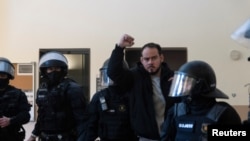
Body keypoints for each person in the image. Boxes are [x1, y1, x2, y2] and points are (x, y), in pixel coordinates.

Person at [107, 34, 176, 140]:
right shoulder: (134, 77)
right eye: (146, 59)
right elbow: (113, 72)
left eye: (154, 58)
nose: (150, 62)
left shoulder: (173, 78)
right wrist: (120, 47)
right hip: (145, 137)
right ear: (141, 60)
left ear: (161, 58)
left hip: (171, 136)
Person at [160, 60, 242, 141]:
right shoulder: (176, 112)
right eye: (182, 82)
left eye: (187, 83)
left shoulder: (224, 113)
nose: (183, 87)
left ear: (200, 85)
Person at [27, 51, 88, 141]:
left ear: (63, 70)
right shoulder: (42, 90)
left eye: (57, 68)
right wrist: (33, 135)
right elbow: (42, 115)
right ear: (45, 71)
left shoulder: (73, 89)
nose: (53, 71)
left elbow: (82, 120)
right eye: (50, 69)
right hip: (45, 137)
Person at [84, 59, 138, 141]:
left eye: (115, 74)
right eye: (109, 75)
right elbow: (91, 126)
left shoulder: (132, 96)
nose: (112, 79)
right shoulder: (99, 97)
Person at [0, 57, 31, 141]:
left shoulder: (18, 94)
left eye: (2, 75)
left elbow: (26, 116)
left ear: (8, 76)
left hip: (11, 136)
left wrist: (11, 120)